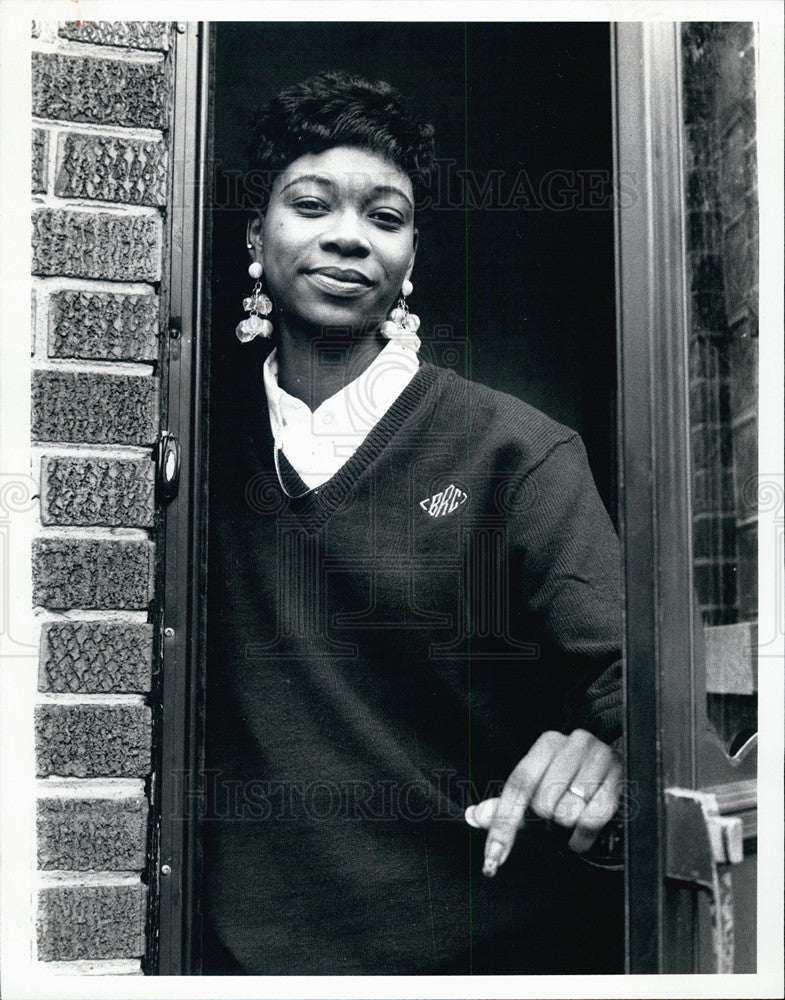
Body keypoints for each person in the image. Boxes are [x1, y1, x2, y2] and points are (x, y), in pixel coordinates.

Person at [202, 70, 624, 976]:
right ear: (255, 237)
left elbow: (640, 703)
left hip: (491, 953)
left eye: (385, 217)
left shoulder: (517, 453)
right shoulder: (189, 447)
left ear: (410, 256)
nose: (349, 235)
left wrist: (608, 750)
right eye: (311, 204)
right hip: (241, 966)